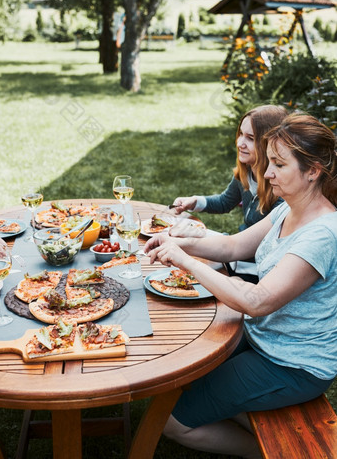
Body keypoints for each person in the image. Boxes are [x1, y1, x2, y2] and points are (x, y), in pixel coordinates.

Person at [144, 114, 337, 459]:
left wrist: (185, 262)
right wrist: (174, 240)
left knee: (171, 422)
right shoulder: (289, 209)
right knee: (185, 367)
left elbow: (256, 300)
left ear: (313, 171)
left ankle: (274, 454)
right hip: (263, 338)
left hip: (292, 363)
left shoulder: (321, 235)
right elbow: (233, 247)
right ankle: (258, 421)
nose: (266, 173)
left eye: (279, 164)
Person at [171, 104, 288, 231]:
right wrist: (194, 201)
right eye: (241, 134)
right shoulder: (246, 172)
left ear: (270, 144)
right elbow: (225, 202)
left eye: (250, 138)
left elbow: (261, 241)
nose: (240, 143)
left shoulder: (280, 190)